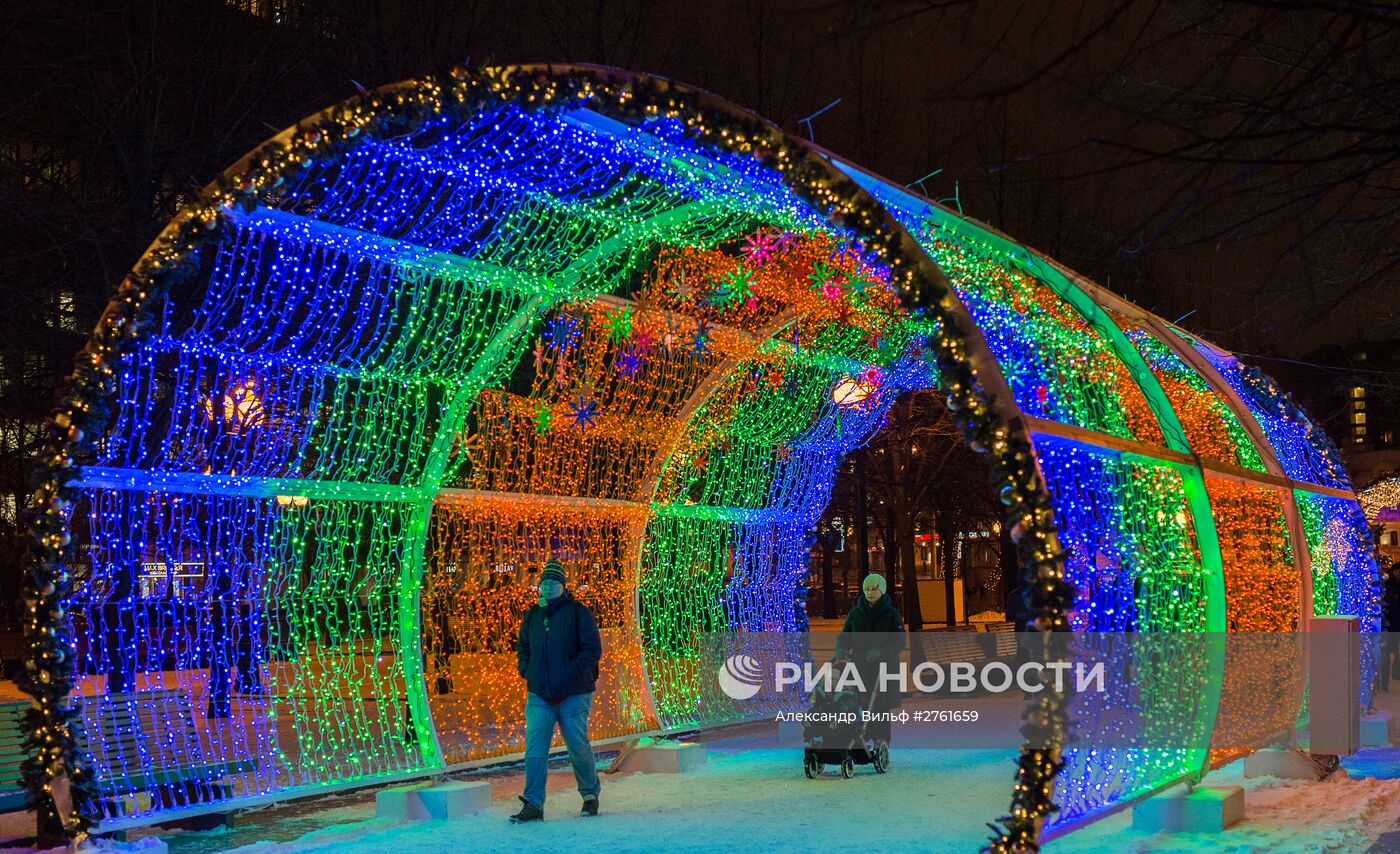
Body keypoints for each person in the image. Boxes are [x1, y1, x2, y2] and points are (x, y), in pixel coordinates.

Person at [511, 558, 603, 823]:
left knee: (577, 745)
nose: (548, 587)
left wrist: (568, 674)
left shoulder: (578, 612)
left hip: (574, 694)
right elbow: (523, 649)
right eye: (544, 582)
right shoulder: (533, 615)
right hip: (540, 693)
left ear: (563, 585)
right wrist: (528, 671)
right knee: (535, 750)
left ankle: (590, 796)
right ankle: (533, 804)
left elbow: (592, 650)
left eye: (554, 582)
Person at [834, 573, 906, 744]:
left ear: (882, 590)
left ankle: (881, 741)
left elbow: (899, 640)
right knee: (860, 702)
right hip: (861, 666)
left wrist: (882, 652)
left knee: (880, 706)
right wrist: (841, 649)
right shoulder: (855, 614)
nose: (870, 592)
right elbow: (845, 635)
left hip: (883, 668)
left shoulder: (891, 614)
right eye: (867, 589)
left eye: (874, 588)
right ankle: (862, 737)